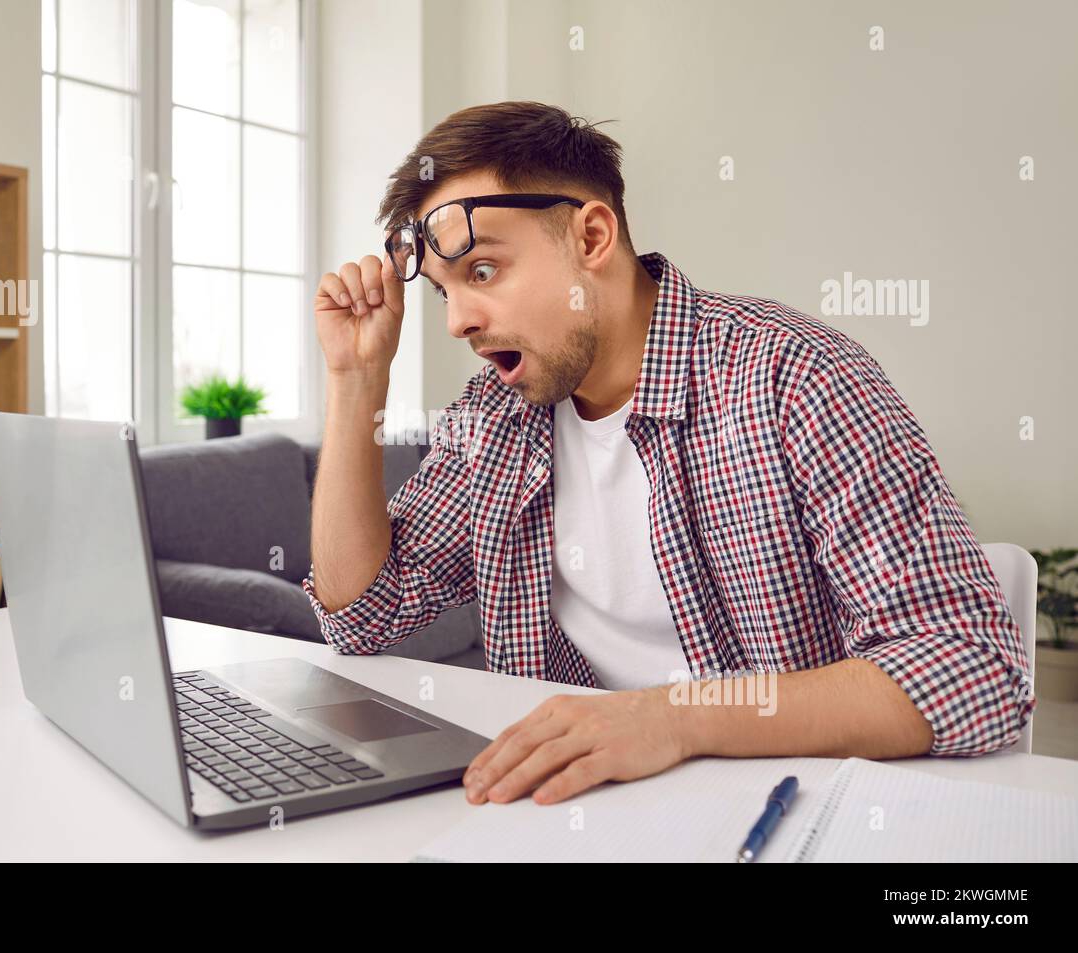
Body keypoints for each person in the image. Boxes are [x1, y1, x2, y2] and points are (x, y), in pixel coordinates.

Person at [303, 101, 1034, 807]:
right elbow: (363, 615)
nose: (460, 319)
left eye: (484, 271)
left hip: (779, 808)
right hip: (574, 810)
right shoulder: (495, 416)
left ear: (592, 237)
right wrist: (355, 378)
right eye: (443, 292)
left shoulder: (795, 377)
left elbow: (972, 666)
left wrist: (674, 718)